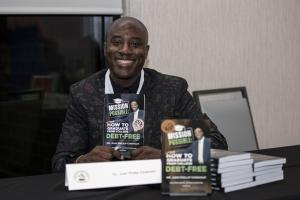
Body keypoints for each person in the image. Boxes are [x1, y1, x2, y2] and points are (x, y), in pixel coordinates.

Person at [51, 16, 228, 172]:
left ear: (146, 51)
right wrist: (83, 160)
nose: (126, 50)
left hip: (156, 191)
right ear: (106, 48)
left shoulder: (172, 90)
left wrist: (166, 156)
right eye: (117, 42)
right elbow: (60, 162)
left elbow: (217, 142)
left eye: (135, 44)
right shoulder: (83, 93)